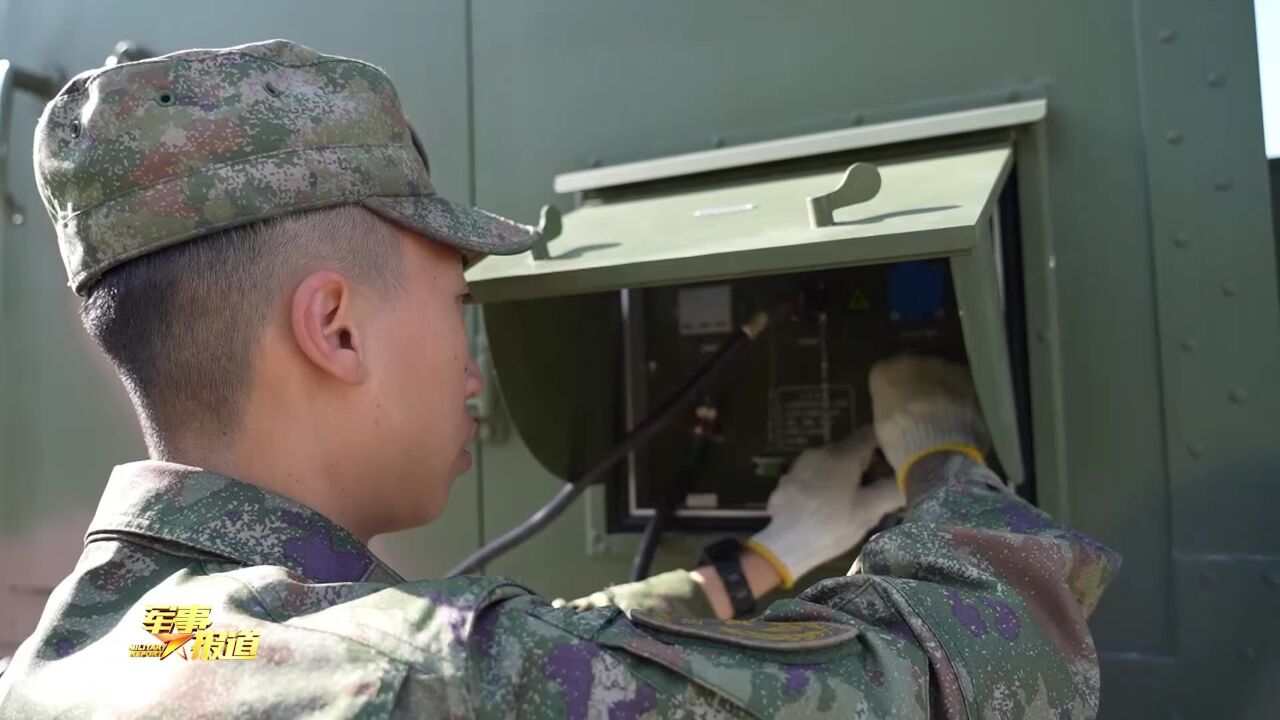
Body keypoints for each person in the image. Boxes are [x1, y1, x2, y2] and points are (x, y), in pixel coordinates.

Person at [0, 40, 1118, 718]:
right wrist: (943, 458)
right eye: (458, 306)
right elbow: (964, 678)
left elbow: (520, 654)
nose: (474, 373)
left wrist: (759, 564)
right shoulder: (426, 681)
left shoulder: (71, 658)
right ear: (335, 330)